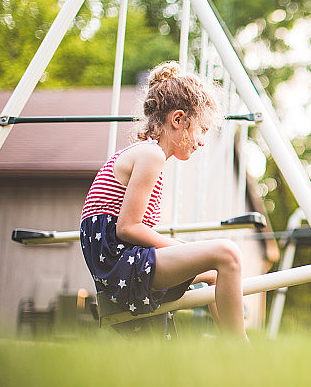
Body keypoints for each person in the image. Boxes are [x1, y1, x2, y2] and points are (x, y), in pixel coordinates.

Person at [80, 61, 247, 339]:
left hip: (122, 262)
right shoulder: (151, 155)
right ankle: (241, 347)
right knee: (227, 252)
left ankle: (236, 344)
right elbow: (127, 228)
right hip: (119, 265)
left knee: (217, 272)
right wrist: (179, 247)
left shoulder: (144, 154)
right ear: (178, 120)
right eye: (202, 129)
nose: (202, 141)